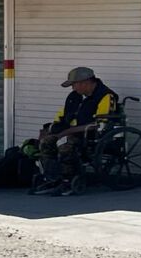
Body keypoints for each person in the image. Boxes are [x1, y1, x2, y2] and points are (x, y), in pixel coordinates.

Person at [32, 67, 118, 196]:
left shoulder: (106, 96)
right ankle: (52, 178)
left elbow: (99, 125)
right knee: (46, 142)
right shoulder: (74, 97)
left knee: (65, 149)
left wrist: (67, 132)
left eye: (74, 85)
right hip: (73, 133)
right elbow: (63, 115)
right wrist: (50, 129)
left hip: (92, 137)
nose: (73, 88)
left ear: (85, 82)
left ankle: (68, 181)